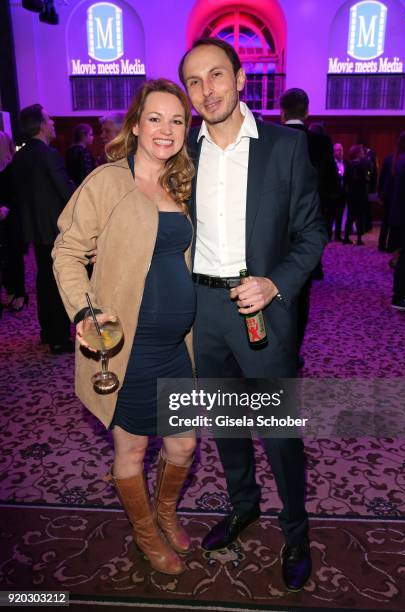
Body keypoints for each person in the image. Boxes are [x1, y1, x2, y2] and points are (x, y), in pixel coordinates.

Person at [178, 38, 327, 591]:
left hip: (262, 304)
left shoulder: (285, 147)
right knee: (226, 423)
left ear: (241, 79)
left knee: (280, 432)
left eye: (216, 75)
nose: (206, 90)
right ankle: (243, 505)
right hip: (202, 310)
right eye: (194, 82)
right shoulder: (182, 151)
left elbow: (313, 234)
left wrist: (275, 283)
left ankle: (296, 530)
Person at [52, 79, 197, 575]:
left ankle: (165, 511)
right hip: (128, 349)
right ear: (136, 125)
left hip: (179, 346)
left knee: (183, 442)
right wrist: (84, 311)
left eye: (177, 120)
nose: (166, 129)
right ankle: (145, 533)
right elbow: (66, 252)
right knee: (132, 448)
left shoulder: (181, 183)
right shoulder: (107, 183)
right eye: (155, 118)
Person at [279, 87, 338, 363]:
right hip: (308, 232)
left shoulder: (273, 139)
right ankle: (294, 352)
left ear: (281, 113)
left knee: (272, 289)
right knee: (301, 295)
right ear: (307, 111)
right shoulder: (321, 143)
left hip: (275, 233)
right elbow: (331, 189)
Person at [11, 104, 75, 352]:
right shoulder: (49, 155)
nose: (54, 123)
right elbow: (66, 193)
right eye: (49, 119)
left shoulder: (20, 156)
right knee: (57, 281)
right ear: (40, 125)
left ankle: (48, 331)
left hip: (34, 229)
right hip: (54, 229)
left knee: (44, 280)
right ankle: (59, 338)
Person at [0, 131, 27, 312]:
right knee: (3, 257)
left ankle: (20, 294)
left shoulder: (13, 166)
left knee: (14, 255)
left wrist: (7, 207)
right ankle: (10, 290)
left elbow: (21, 193)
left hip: (12, 217)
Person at [389, 130, 405, 311]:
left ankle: (401, 294)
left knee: (404, 256)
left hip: (400, 215)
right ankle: (400, 296)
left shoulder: (400, 159)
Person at [343, 144, 369, 246]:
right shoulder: (362, 165)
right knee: (359, 217)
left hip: (351, 194)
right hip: (360, 194)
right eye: (362, 152)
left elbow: (346, 180)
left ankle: (346, 237)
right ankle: (359, 239)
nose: (363, 153)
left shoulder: (348, 164)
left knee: (350, 216)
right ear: (358, 153)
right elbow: (365, 179)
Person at [332, 142, 348, 242]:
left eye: (341, 150)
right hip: (333, 194)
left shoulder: (346, 163)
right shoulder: (331, 164)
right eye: (337, 150)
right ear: (333, 152)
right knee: (330, 216)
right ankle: (328, 235)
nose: (340, 152)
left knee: (339, 215)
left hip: (343, 193)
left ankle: (337, 235)